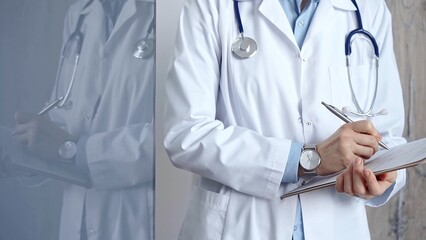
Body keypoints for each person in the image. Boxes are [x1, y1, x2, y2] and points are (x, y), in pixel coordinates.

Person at [164, 0, 406, 239]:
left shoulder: (369, 8)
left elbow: (388, 135)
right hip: (241, 226)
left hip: (337, 225)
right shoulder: (211, 6)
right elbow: (187, 134)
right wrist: (307, 159)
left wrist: (384, 174)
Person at [12, 0, 155, 239]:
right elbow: (64, 114)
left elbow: (171, 140)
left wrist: (77, 152)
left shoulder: (173, 13)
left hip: (132, 220)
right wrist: (28, 152)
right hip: (76, 218)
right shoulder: (79, 14)